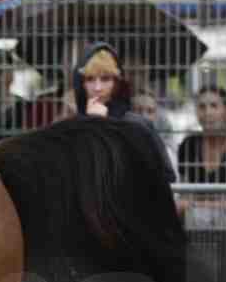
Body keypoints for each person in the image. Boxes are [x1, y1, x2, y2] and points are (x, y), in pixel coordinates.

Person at [69, 42, 177, 179]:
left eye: (105, 79)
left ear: (116, 83)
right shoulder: (70, 129)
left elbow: (166, 176)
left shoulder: (138, 126)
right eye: (90, 79)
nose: (97, 87)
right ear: (81, 84)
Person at [175, 86, 226, 227]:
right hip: (196, 224)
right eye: (202, 107)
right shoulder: (188, 145)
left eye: (214, 106)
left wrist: (195, 204)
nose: (207, 112)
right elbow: (183, 197)